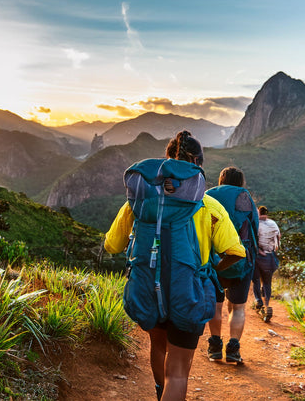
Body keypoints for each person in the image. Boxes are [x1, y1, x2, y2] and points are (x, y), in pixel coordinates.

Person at [105, 131, 245, 401]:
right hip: (189, 293)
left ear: (165, 163)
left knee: (158, 347)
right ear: (198, 165)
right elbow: (236, 252)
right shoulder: (208, 205)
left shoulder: (138, 203)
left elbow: (112, 245)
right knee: (179, 372)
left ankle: (160, 394)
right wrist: (209, 273)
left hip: (149, 290)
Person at [205, 167, 259, 364]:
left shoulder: (208, 195)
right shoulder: (244, 197)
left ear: (221, 179)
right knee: (237, 307)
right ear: (240, 181)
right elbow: (254, 229)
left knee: (216, 305)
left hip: (213, 259)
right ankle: (233, 348)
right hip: (241, 261)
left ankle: (215, 346)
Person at [252, 205, 281, 322]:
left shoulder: (256, 224)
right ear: (267, 213)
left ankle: (258, 300)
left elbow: (252, 239)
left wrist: (259, 250)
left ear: (259, 213)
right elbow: (278, 241)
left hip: (258, 256)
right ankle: (267, 304)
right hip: (269, 257)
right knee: (267, 283)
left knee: (256, 280)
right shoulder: (274, 224)